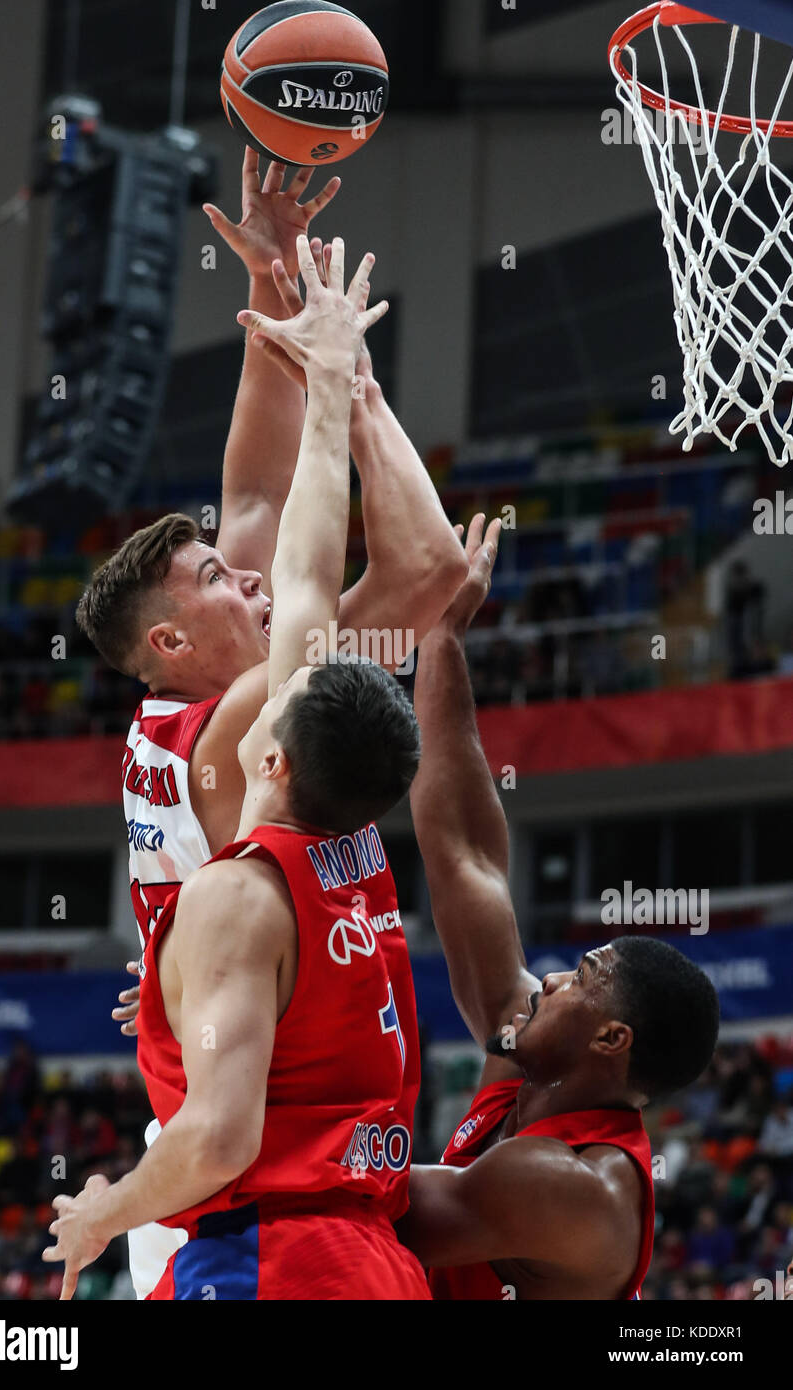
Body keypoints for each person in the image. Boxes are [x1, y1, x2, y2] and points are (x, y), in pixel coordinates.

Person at [76, 160, 466, 1296]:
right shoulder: (239, 716)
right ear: (169, 641)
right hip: (234, 1188)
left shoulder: (191, 701)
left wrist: (273, 283)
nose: (243, 579)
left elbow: (254, 504)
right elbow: (426, 571)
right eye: (211, 580)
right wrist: (343, 377)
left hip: (250, 1166)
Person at [396, 516, 721, 1299]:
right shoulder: (530, 1051)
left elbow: (372, 1209)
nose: (550, 983)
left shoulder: (582, 1189)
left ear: (612, 1037)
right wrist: (442, 640)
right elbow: (464, 853)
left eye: (583, 975)